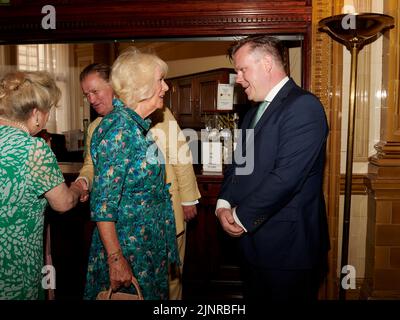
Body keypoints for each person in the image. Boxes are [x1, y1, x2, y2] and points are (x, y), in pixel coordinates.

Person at [216, 35, 330, 301]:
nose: (239, 79)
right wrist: (223, 203)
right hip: (252, 244)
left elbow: (286, 178)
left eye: (243, 70)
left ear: (267, 63)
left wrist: (241, 216)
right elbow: (238, 165)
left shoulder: (304, 106)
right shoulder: (251, 113)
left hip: (288, 249)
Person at [76, 63, 200, 300]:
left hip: (167, 217)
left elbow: (181, 154)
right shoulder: (103, 128)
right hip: (131, 233)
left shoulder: (158, 116)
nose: (90, 99)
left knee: (172, 282)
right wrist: (82, 181)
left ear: (114, 86)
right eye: (86, 95)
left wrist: (188, 198)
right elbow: (95, 172)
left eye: (95, 91)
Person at [0, 70, 87, 300]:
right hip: (15, 271)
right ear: (37, 114)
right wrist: (78, 188)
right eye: (48, 112)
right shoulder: (34, 150)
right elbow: (63, 203)